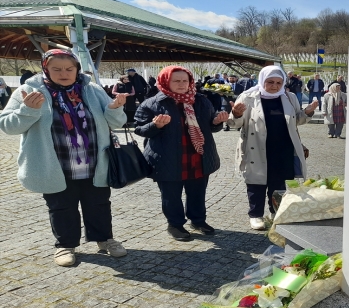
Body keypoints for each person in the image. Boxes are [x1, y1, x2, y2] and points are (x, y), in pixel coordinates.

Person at [0, 49, 128, 267]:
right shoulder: (29, 89)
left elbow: (116, 122)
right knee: (61, 207)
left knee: (99, 204)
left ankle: (105, 239)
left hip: (94, 163)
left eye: (69, 69)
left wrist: (115, 108)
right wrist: (27, 110)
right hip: (54, 165)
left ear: (77, 69)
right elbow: (7, 126)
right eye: (56, 69)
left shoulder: (92, 89)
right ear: (45, 69)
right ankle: (65, 246)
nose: (63, 73)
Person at [134, 65, 229, 241]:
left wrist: (217, 122)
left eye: (185, 80)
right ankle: (175, 225)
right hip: (167, 159)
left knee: (197, 192)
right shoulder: (152, 103)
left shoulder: (201, 101)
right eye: (176, 80)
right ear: (165, 81)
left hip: (198, 156)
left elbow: (211, 126)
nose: (181, 84)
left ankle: (198, 220)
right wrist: (156, 125)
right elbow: (139, 129)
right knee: (171, 196)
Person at [227, 66, 319, 230]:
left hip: (283, 147)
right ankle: (255, 215)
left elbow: (296, 120)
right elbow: (235, 124)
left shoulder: (289, 97)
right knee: (256, 183)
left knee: (279, 182)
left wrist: (308, 112)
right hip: (256, 146)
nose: (275, 86)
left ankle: (275, 211)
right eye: (270, 82)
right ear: (262, 81)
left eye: (279, 82)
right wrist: (236, 113)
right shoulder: (248, 97)